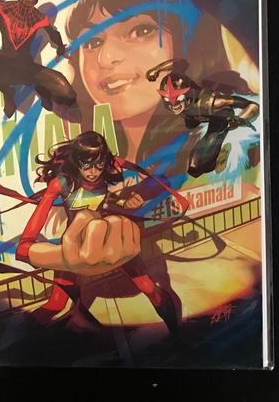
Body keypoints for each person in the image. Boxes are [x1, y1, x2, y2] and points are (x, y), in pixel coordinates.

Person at [15, 130, 181, 334]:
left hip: (106, 238)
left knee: (150, 289)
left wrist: (138, 196)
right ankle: (22, 335)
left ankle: (177, 335)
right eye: (86, 166)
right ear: (76, 162)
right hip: (75, 246)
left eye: (99, 165)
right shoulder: (62, 183)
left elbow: (160, 180)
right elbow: (41, 213)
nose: (93, 172)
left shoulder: (108, 173)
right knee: (56, 304)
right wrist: (27, 241)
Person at [65, 0, 232, 172]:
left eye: (141, 31)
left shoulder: (220, 146)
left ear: (184, 40)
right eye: (92, 42)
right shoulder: (89, 164)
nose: (107, 58)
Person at [147, 59, 260, 177]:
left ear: (187, 94)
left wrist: (240, 119)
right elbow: (180, 63)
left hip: (218, 117)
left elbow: (252, 105)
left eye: (178, 100)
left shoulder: (212, 103)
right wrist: (156, 70)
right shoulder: (177, 81)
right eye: (168, 101)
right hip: (193, 116)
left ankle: (213, 159)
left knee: (196, 166)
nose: (174, 105)